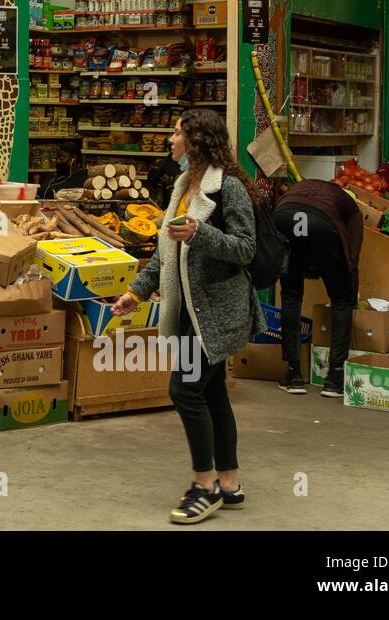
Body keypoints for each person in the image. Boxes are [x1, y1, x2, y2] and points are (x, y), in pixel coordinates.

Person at [112, 108, 266, 525]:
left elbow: (245, 248)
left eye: (177, 132)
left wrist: (202, 232)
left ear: (197, 140)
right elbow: (168, 253)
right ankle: (229, 484)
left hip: (216, 313)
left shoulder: (227, 188)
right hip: (187, 311)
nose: (170, 139)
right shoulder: (183, 185)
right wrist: (135, 292)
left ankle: (205, 487)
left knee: (185, 392)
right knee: (212, 395)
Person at [273, 179, 364, 397]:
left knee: (290, 295)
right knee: (342, 300)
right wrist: (347, 282)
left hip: (284, 214)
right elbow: (352, 253)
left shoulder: (303, 189)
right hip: (322, 222)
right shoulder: (352, 209)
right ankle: (335, 376)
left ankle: (293, 374)